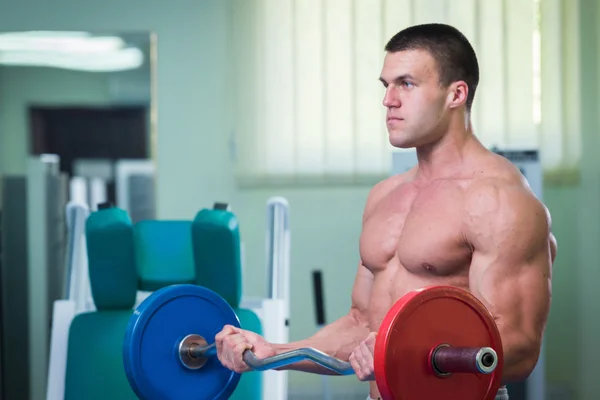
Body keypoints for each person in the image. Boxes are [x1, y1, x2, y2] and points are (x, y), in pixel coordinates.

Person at [215, 23, 557, 400]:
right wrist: (276, 352)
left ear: (455, 94)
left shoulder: (498, 199)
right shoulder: (385, 196)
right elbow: (362, 324)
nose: (388, 100)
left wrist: (403, 354)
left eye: (406, 84)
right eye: (386, 85)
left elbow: (518, 347)